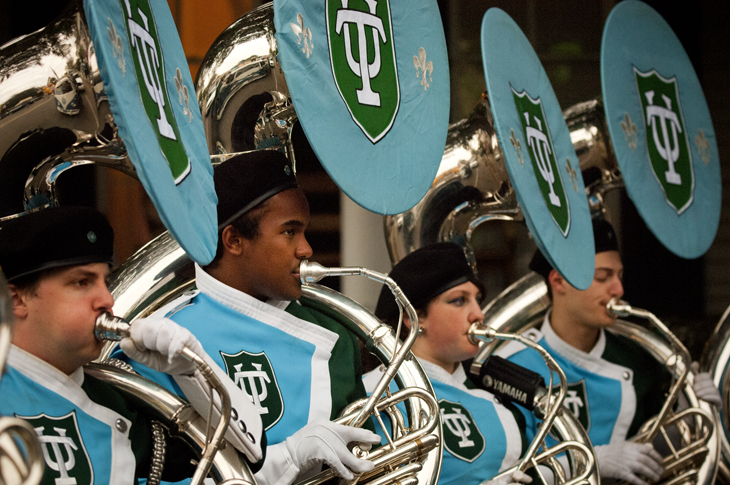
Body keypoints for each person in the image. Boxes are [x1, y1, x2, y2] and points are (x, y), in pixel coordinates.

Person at [118, 150, 380, 485]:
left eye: (304, 232)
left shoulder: (332, 333)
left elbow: (369, 462)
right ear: (234, 240)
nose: (306, 249)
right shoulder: (159, 340)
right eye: (290, 232)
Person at [0, 206, 264, 485]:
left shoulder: (110, 399)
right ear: (16, 300)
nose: (106, 299)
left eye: (106, 282)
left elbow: (241, 458)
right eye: (81, 282)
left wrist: (190, 373)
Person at [495, 218, 722, 485]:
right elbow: (506, 468)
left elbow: (659, 452)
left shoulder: (639, 358)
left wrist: (690, 408)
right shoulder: (510, 366)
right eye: (602, 277)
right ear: (558, 282)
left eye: (619, 276)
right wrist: (594, 460)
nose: (619, 290)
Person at [365, 242, 532, 485]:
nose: (478, 313)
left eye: (477, 299)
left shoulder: (495, 401)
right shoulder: (373, 394)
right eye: (459, 300)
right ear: (416, 317)